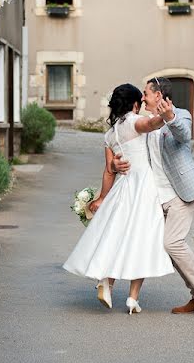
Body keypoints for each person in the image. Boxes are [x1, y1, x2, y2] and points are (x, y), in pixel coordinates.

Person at [111, 77, 194, 319]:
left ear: (158, 95)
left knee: (172, 243)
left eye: (146, 93)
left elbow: (183, 134)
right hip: (154, 197)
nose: (142, 98)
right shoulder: (145, 123)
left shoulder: (181, 115)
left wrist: (170, 117)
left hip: (180, 192)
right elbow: (129, 150)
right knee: (165, 247)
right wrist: (116, 163)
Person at [62, 83, 174, 314]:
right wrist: (164, 115)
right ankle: (133, 298)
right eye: (139, 102)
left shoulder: (110, 134)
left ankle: (107, 282)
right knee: (142, 240)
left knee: (117, 235)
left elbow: (108, 170)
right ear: (134, 104)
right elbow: (150, 123)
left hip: (123, 188)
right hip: (144, 187)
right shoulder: (134, 122)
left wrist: (102, 198)